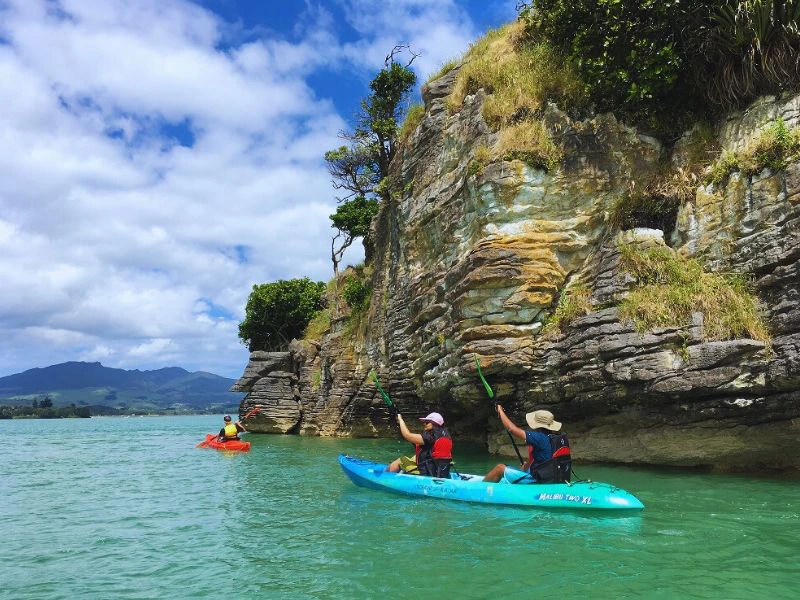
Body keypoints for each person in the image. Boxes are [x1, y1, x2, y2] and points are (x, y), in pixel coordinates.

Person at [482, 405, 571, 483]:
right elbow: (545, 460)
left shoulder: (539, 437)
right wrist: (527, 466)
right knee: (526, 465)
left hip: (538, 479)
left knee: (500, 468)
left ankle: (480, 487)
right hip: (551, 476)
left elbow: (511, 429)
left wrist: (500, 411)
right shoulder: (554, 438)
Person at [386, 412, 453, 478]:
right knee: (414, 457)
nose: (424, 424)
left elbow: (407, 435)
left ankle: (385, 477)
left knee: (400, 460)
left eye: (427, 422)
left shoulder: (430, 437)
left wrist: (400, 420)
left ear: (434, 424)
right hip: (439, 472)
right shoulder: (444, 435)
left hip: (427, 473)